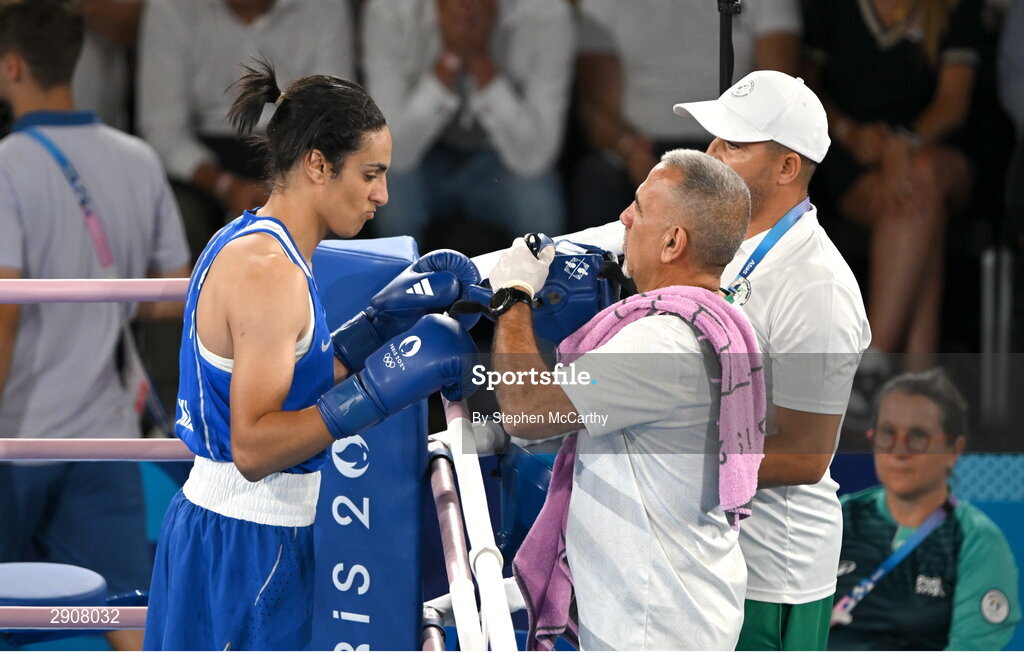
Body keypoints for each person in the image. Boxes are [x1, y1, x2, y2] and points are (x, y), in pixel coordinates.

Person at [143, 60, 480, 651]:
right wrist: (378, 394)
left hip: (239, 535)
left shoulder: (258, 243)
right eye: (371, 173)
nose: (382, 194)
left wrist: (380, 324)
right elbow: (254, 448)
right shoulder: (269, 272)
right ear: (318, 165)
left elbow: (293, 376)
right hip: (245, 540)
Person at [489, 149, 763, 650]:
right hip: (677, 614)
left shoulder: (662, 345)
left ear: (673, 241)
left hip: (654, 629)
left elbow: (526, 410)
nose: (624, 218)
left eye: (639, 206)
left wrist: (512, 295)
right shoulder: (716, 322)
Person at [0, 1, 190, 650]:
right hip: (107, 437)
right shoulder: (138, 159)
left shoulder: (5, 165)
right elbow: (172, 295)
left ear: (11, 66)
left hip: (17, 439)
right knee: (128, 624)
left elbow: (4, 312)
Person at [672, 70, 872, 649]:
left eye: (733, 144)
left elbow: (805, 455)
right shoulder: (723, 245)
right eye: (714, 138)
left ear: (788, 167)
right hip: (711, 554)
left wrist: (670, 463)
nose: (710, 154)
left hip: (772, 576)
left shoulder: (819, 285)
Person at [802, 0, 982, 369]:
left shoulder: (954, 7)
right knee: (919, 201)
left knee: (920, 176)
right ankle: (917, 383)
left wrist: (905, 143)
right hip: (852, 158)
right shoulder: (829, 9)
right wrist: (851, 133)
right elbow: (803, 86)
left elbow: (953, 102)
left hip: (937, 153)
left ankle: (875, 358)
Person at [137, 0, 355, 258]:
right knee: (175, 220)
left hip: (296, 150)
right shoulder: (171, 8)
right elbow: (162, 126)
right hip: (203, 157)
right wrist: (224, 186)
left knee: (339, 214)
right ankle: (192, 298)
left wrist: (289, 185)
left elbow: (331, 116)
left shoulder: (325, 8)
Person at [830, 368, 1021, 650]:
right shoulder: (838, 518)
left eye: (918, 436)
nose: (899, 450)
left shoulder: (976, 540)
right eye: (887, 433)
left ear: (954, 450)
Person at [572, 0, 801, 230]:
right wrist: (629, 149)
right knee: (596, 178)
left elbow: (778, 92)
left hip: (731, 142)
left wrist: (740, 149)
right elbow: (598, 106)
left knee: (778, 173)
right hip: (641, 147)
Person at [361, 0, 573, 247]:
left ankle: (543, 285)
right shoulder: (390, 10)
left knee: (540, 201)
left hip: (500, 164)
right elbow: (390, 153)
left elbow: (535, 157)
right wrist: (449, 62)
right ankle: (401, 284)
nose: (466, 7)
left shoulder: (546, 14)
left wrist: (481, 64)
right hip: (423, 164)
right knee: (390, 189)